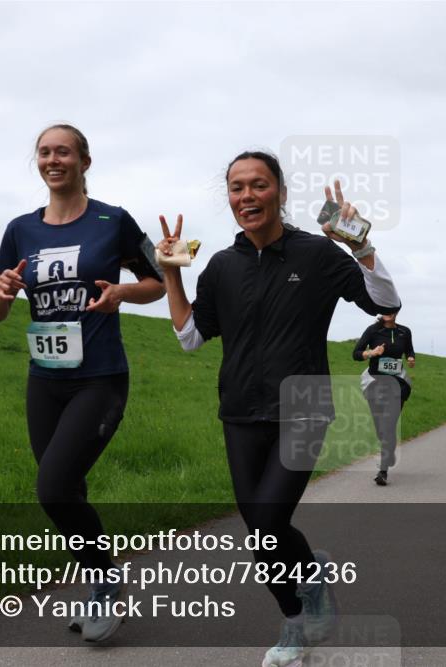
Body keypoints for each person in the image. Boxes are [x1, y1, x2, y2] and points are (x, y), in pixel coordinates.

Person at [156, 151, 401, 667]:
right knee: (262, 535)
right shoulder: (222, 266)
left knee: (268, 524)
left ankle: (303, 598)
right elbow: (190, 337)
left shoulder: (317, 254)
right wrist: (171, 275)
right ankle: (300, 606)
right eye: (237, 187)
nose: (247, 196)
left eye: (259, 185)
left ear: (281, 193)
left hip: (305, 405)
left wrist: (360, 245)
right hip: (241, 411)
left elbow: (384, 304)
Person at [0, 124, 165, 642]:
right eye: (44, 152)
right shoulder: (20, 229)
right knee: (67, 489)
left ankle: (106, 585)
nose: (52, 160)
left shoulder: (113, 220)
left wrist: (121, 294)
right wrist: (2, 291)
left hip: (100, 377)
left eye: (63, 151)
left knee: (54, 486)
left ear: (84, 161)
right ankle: (99, 583)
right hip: (44, 379)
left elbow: (157, 281)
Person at [353, 312, 415, 486]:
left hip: (396, 385)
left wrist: (411, 357)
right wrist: (372, 352)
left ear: (396, 311)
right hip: (375, 384)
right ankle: (390, 451)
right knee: (381, 429)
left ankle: (383, 471)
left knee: (388, 426)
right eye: (384, 309)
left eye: (391, 309)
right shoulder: (373, 331)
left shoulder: (404, 331)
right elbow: (356, 354)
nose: (388, 313)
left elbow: (409, 349)